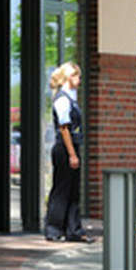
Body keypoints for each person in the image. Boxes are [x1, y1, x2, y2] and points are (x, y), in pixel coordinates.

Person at [43, 62, 91, 242]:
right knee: (62, 190)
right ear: (69, 77)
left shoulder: (71, 98)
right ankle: (53, 229)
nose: (80, 80)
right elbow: (64, 129)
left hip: (71, 147)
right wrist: (72, 154)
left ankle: (73, 230)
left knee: (73, 190)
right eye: (77, 76)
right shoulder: (63, 100)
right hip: (64, 148)